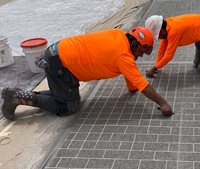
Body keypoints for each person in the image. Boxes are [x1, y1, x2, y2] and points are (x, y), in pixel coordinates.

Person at [1, 27, 174, 120]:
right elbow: (142, 84)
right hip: (60, 63)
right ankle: (16, 97)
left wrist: (131, 87)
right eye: (142, 52)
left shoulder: (119, 35)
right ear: (136, 45)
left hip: (59, 52)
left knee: (63, 95)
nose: (141, 56)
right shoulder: (123, 56)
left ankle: (16, 94)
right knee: (68, 106)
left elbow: (132, 77)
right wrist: (163, 103)